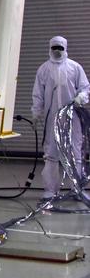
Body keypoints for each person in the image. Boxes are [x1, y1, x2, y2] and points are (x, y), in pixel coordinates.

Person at [32, 35, 90, 201]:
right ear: (50, 48)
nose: (57, 51)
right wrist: (36, 112)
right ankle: (51, 190)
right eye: (54, 47)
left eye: (60, 48)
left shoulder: (75, 67)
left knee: (75, 153)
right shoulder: (43, 69)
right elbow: (38, 94)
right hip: (52, 119)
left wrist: (81, 97)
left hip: (73, 117)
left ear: (65, 48)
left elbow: (85, 88)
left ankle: (77, 189)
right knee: (51, 153)